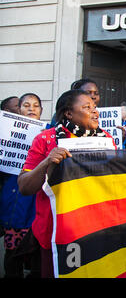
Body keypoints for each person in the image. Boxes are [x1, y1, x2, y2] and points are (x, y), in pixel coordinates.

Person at [17, 89, 116, 278]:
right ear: (69, 113)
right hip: (54, 231)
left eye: (95, 107)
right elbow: (24, 186)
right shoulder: (45, 140)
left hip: (93, 229)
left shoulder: (107, 141)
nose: (95, 112)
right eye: (87, 107)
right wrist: (47, 162)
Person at [0, 93, 44, 278]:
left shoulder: (49, 133)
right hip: (13, 202)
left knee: (37, 260)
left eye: (36, 105)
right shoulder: (5, 132)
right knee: (13, 257)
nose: (31, 109)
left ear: (41, 111)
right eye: (26, 105)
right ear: (19, 109)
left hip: (38, 204)